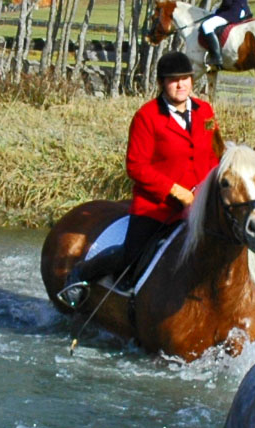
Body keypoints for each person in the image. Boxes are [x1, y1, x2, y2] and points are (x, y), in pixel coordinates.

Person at [57, 51, 220, 309]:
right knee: (132, 257)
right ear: (161, 83)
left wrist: (207, 188)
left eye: (186, 79)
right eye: (173, 80)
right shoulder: (147, 116)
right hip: (157, 206)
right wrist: (173, 190)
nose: (181, 85)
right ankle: (81, 273)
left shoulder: (205, 112)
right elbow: (136, 165)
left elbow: (213, 154)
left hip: (199, 204)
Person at [198, 0, 251, 69]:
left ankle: (217, 57)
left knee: (207, 26)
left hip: (232, 12)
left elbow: (227, 3)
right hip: (244, 10)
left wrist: (217, 11)